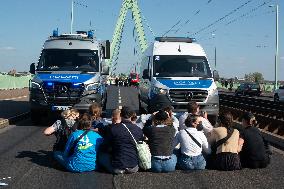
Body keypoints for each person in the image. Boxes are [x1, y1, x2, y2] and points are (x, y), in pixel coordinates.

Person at [98, 106, 143, 174]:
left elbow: (105, 147)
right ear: (131, 115)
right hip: (134, 167)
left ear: (121, 115)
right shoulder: (138, 130)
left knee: (101, 155)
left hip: (117, 168)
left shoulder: (113, 129)